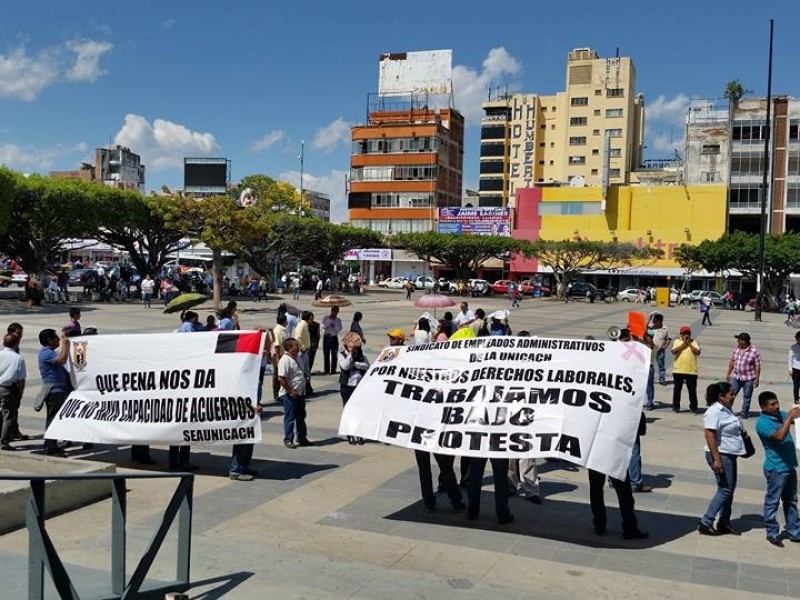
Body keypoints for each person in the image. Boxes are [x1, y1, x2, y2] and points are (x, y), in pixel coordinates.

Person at [699, 381, 747, 536]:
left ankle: (724, 522)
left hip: (729, 454)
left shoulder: (726, 410)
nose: (733, 396)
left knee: (729, 489)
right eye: (731, 394)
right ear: (721, 396)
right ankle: (706, 522)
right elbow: (709, 435)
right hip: (721, 454)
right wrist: (716, 459)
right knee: (725, 489)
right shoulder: (714, 411)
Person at [755, 390, 800, 545]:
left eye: (777, 402)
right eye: (772, 404)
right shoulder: (762, 423)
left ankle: (795, 532)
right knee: (772, 501)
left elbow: (796, 419)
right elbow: (779, 437)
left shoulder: (780, 414)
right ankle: (772, 532)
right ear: (763, 407)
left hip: (789, 465)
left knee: (791, 501)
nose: (777, 406)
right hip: (776, 468)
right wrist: (789, 418)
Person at [37, 329, 70, 456]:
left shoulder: (48, 352)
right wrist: (66, 344)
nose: (58, 340)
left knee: (54, 419)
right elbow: (62, 360)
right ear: (50, 340)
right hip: (54, 391)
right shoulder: (46, 353)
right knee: (53, 420)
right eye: (56, 338)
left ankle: (52, 445)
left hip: (58, 390)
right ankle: (50, 447)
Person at [277, 338, 311, 448]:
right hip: (289, 395)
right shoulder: (285, 360)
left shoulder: (297, 357)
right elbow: (281, 378)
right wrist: (290, 390)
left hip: (300, 393)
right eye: (296, 345)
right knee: (290, 417)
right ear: (290, 348)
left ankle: (302, 437)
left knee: (301, 415)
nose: (298, 346)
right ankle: (288, 439)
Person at [338, 332, 369, 444]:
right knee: (348, 410)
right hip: (346, 386)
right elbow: (345, 366)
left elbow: (367, 366)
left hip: (358, 386)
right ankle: (350, 434)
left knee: (359, 410)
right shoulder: (342, 354)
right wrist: (351, 354)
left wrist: (356, 364)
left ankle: (359, 434)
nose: (356, 349)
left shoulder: (361, 355)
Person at [467, 457, 514, 525]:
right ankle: (503, 514)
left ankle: (472, 511)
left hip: (479, 448)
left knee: (475, 475)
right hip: (498, 449)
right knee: (501, 477)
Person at [726, 332, 762, 419]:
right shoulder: (736, 349)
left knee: (747, 397)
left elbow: (757, 366)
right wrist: (728, 373)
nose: (737, 341)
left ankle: (744, 413)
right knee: (730, 394)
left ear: (744, 341)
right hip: (736, 377)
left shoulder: (754, 351)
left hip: (748, 378)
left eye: (739, 340)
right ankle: (727, 411)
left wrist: (757, 379)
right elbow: (732, 361)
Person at [0, 332, 26, 451]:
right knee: (8, 416)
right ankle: (4, 441)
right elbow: (21, 380)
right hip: (8, 389)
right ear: (16, 344)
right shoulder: (18, 358)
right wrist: (19, 395)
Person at [672, 325, 701, 413]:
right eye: (684, 333)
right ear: (681, 334)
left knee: (692, 390)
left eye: (688, 333)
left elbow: (697, 352)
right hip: (678, 370)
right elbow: (673, 351)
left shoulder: (694, 342)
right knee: (677, 389)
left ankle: (693, 406)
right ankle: (676, 406)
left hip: (691, 371)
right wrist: (683, 344)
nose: (686, 335)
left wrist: (689, 344)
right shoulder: (677, 341)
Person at [649, 313, 671, 385]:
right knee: (650, 365)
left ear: (660, 321)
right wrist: (649, 318)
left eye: (655, 320)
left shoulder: (665, 329)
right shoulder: (651, 328)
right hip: (652, 349)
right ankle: (650, 378)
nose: (653, 322)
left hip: (661, 350)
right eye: (653, 320)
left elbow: (668, 338)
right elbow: (645, 329)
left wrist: (666, 346)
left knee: (661, 366)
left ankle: (662, 379)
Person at [294, 311, 313, 395]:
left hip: (305, 351)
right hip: (302, 351)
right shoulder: (302, 325)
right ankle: (302, 390)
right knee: (302, 371)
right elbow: (297, 338)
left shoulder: (305, 324)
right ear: (309, 318)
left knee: (306, 370)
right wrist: (303, 347)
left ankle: (307, 388)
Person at [322, 306, 342, 375]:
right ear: (331, 311)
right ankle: (327, 370)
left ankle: (333, 369)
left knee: (334, 354)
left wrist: (334, 326)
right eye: (334, 311)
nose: (335, 313)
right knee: (326, 354)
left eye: (336, 312)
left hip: (334, 337)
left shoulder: (338, 320)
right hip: (327, 337)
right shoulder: (326, 318)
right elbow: (323, 326)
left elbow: (339, 329)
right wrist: (328, 322)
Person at [789, 331, 800, 404]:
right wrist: (790, 369)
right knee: (796, 387)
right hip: (795, 368)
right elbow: (790, 358)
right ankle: (796, 400)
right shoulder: (793, 347)